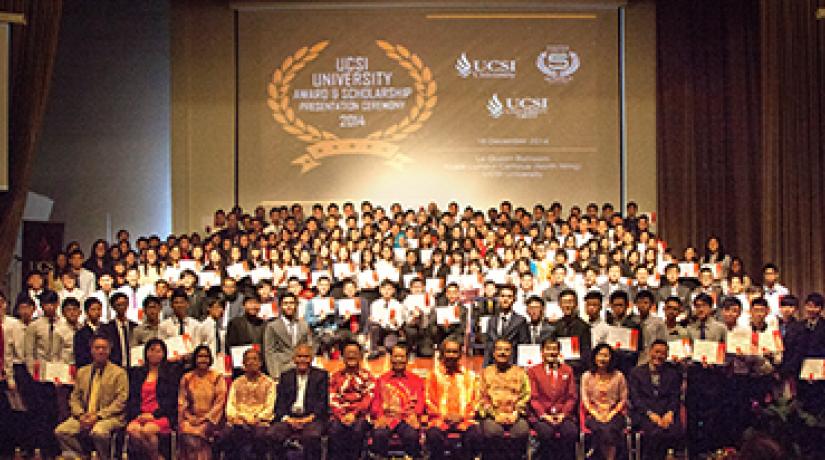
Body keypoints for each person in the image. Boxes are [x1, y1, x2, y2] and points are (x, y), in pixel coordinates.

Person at [55, 334, 128, 460]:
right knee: (61, 431)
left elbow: (121, 401)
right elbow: (74, 397)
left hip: (109, 417)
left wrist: (98, 416)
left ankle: (104, 457)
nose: (100, 351)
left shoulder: (119, 373)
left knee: (99, 432)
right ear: (91, 350)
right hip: (84, 416)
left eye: (104, 348)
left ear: (109, 350)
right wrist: (80, 415)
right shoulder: (82, 372)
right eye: (97, 347)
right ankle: (80, 455)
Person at [269, 343, 329, 460]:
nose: (302, 360)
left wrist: (307, 419)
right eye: (299, 356)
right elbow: (280, 403)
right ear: (294, 359)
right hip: (289, 418)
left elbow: (322, 403)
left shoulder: (321, 376)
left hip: (312, 418)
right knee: (272, 434)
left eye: (306, 357)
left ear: (311, 359)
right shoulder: (286, 376)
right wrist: (288, 419)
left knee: (312, 436)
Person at [425, 338, 481, 460]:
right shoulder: (434, 376)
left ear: (460, 354)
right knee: (433, 435)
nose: (451, 355)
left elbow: (475, 401)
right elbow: (428, 400)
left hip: (465, 420)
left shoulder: (469, 376)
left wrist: (461, 417)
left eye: (454, 352)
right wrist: (446, 416)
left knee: (475, 434)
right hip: (440, 420)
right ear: (442, 354)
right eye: (448, 351)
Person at [685, 293, 727, 456]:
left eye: (703, 306)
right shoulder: (690, 329)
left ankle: (712, 451)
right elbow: (687, 353)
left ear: (710, 308)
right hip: (695, 376)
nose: (700, 309)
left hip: (714, 377)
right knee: (693, 415)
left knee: (713, 415)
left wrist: (716, 362)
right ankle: (694, 452)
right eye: (697, 306)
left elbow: (726, 353)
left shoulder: (720, 328)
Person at [126, 339, 182, 460]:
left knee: (147, 431)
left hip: (161, 416)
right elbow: (133, 398)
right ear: (146, 353)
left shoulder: (170, 374)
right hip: (141, 415)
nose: (155, 354)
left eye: (159, 351)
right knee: (132, 430)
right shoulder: (138, 373)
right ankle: (157, 457)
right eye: (152, 350)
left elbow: (171, 402)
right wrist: (139, 415)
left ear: (164, 354)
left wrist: (154, 415)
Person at [477, 339, 531, 460]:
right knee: (493, 432)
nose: (503, 353)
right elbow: (481, 397)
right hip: (493, 416)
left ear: (511, 353)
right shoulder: (486, 373)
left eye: (506, 350)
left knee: (521, 431)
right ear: (494, 353)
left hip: (515, 415)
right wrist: (495, 414)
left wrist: (515, 413)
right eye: (499, 349)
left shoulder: (520, 372)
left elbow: (526, 395)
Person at [629, 340, 683, 459]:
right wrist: (651, 414)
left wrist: (669, 413)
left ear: (667, 355)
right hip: (644, 414)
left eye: (663, 353)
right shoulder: (636, 373)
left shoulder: (672, 374)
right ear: (649, 352)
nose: (659, 356)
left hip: (666, 414)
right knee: (654, 434)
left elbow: (675, 397)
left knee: (675, 432)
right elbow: (635, 398)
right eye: (656, 352)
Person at [370, 343, 425, 458]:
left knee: (411, 435)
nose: (398, 360)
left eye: (402, 357)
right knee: (379, 434)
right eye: (396, 356)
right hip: (387, 417)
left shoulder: (416, 380)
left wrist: (415, 414)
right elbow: (376, 401)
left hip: (407, 418)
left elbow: (420, 401)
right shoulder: (382, 379)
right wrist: (379, 416)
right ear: (391, 358)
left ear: (407, 359)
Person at [528, 337, 578, 460]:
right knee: (546, 433)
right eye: (548, 349)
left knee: (571, 432)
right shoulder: (533, 371)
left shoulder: (567, 370)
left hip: (563, 415)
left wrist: (564, 414)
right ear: (542, 352)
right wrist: (544, 415)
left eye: (555, 349)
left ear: (559, 352)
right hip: (542, 416)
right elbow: (533, 398)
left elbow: (572, 397)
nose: (552, 352)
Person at [221, 347, 276, 460]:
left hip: (260, 421)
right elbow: (230, 405)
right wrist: (238, 418)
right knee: (226, 435)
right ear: (243, 364)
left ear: (260, 363)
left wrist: (256, 418)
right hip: (239, 420)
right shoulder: (236, 383)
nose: (251, 362)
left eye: (255, 359)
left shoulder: (269, 383)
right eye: (248, 360)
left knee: (260, 437)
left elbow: (270, 407)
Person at [178, 345, 227, 460]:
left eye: (206, 356)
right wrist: (189, 418)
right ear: (195, 359)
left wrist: (206, 419)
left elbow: (220, 402)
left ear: (210, 359)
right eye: (200, 356)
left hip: (212, 420)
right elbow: (182, 402)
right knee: (186, 430)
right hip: (191, 419)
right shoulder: (187, 378)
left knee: (198, 434)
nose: (203, 360)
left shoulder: (217, 377)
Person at [328, 340, 374, 460]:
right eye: (348, 353)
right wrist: (342, 415)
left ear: (361, 356)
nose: (351, 356)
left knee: (358, 429)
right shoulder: (335, 377)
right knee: (334, 430)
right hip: (340, 416)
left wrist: (354, 414)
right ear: (342, 357)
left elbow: (368, 398)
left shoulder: (367, 377)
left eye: (355, 353)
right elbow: (332, 398)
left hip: (360, 416)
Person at [581, 344, 628, 460]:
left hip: (615, 413)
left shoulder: (619, 376)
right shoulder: (587, 376)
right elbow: (585, 399)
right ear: (594, 357)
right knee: (602, 428)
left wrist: (611, 414)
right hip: (593, 414)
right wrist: (596, 414)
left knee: (610, 428)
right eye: (600, 355)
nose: (602, 359)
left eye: (606, 356)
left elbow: (623, 399)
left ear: (611, 358)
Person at [264, 293, 312, 380]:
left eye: (291, 303)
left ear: (296, 305)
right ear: (280, 306)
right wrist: (274, 374)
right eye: (285, 303)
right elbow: (269, 352)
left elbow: (309, 347)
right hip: (281, 370)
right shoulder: (272, 326)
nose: (289, 306)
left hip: (302, 369)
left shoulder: (304, 325)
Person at [483, 284, 528, 366]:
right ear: (498, 298)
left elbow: (524, 347)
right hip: (494, 366)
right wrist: (485, 367)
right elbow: (488, 347)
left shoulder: (521, 321)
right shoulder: (491, 321)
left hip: (512, 366)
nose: (505, 299)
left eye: (509, 296)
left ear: (514, 299)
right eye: (503, 296)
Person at [553, 288, 592, 377]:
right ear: (559, 304)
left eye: (570, 302)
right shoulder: (555, 326)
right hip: (558, 370)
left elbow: (586, 354)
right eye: (564, 302)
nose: (567, 305)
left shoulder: (584, 327)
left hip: (577, 372)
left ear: (576, 304)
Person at [367, 280, 406, 359]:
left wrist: (395, 323)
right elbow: (375, 319)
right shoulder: (375, 304)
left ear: (393, 290)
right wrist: (380, 321)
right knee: (374, 326)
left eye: (389, 289)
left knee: (390, 346)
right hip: (379, 330)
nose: (386, 291)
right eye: (384, 289)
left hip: (391, 331)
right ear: (380, 290)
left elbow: (400, 322)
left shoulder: (398, 305)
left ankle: (383, 349)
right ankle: (374, 350)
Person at [100, 292, 137, 368]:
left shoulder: (135, 326)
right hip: (114, 368)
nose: (122, 307)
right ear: (113, 307)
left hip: (134, 367)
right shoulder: (106, 329)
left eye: (124, 304)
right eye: (119, 305)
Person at [74, 297, 104, 368]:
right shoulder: (80, 333)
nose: (97, 312)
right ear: (86, 312)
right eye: (93, 309)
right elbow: (80, 356)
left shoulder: (107, 329)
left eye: (99, 309)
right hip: (88, 368)